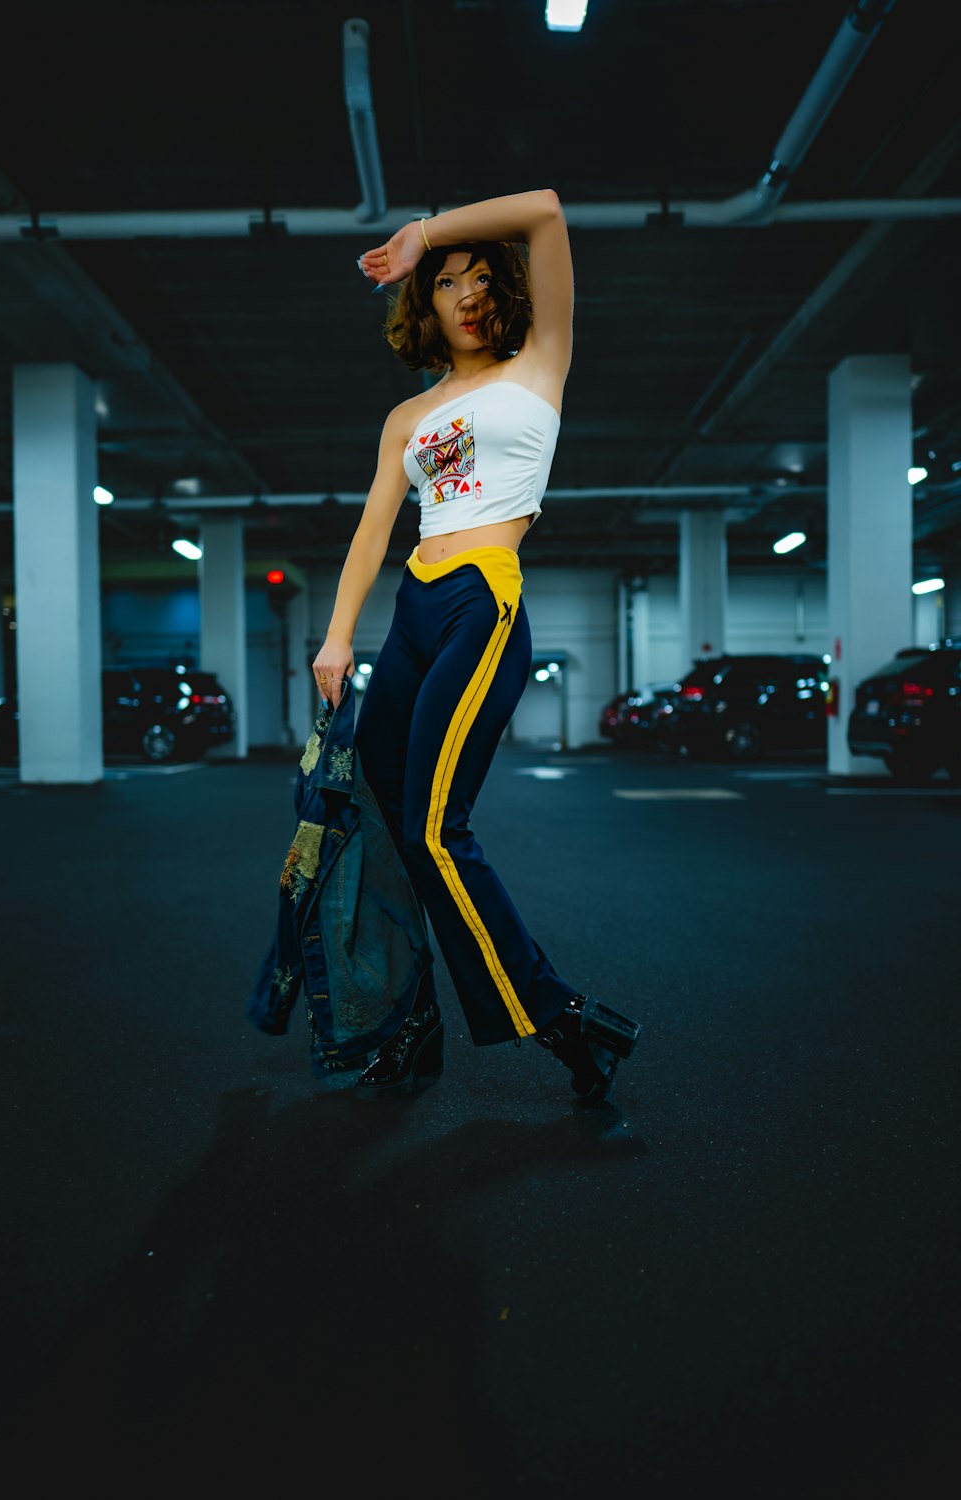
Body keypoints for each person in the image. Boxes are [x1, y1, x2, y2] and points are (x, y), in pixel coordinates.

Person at [311, 189, 641, 1104]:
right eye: (444, 282)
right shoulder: (406, 417)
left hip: (482, 602)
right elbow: (373, 530)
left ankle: (562, 1016)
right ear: (425, 305)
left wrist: (425, 234)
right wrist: (338, 637)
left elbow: (545, 211)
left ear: (501, 293)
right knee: (386, 825)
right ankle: (410, 1026)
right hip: (412, 610)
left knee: (435, 829)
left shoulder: (540, 365)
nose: (460, 293)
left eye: (475, 277)